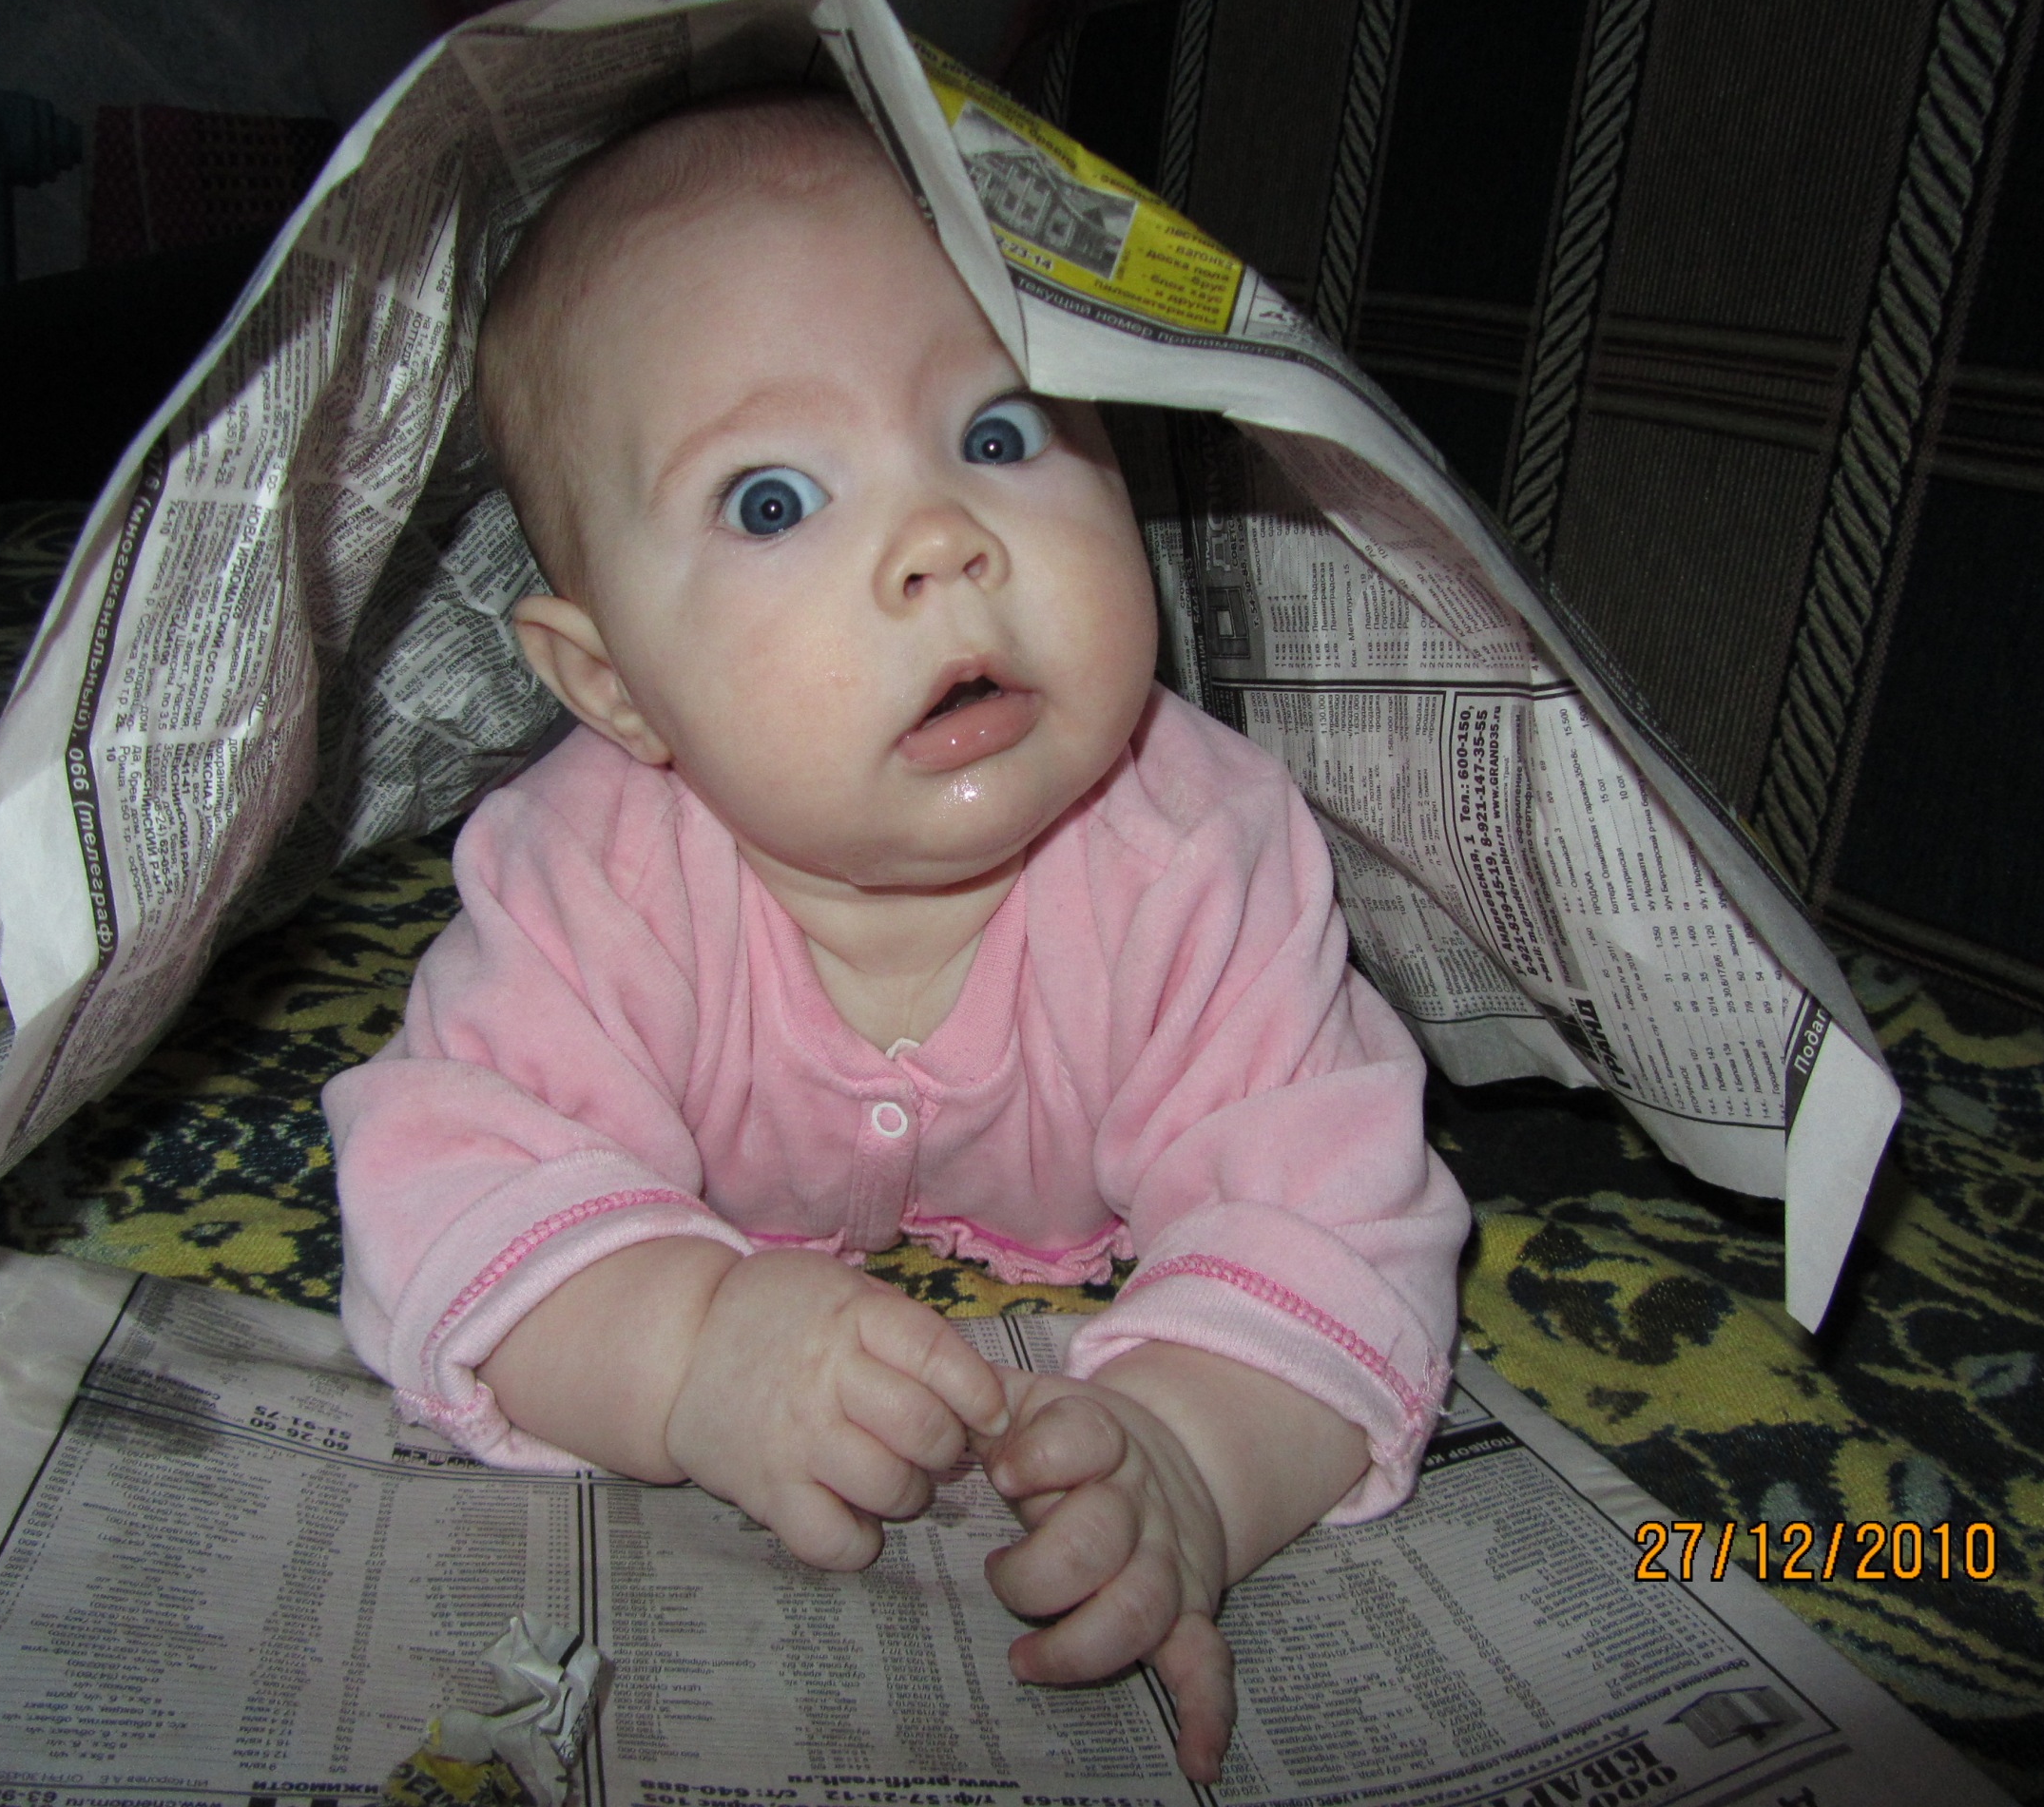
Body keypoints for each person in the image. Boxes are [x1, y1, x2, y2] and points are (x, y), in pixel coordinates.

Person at [324, 87, 1467, 1784]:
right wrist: (686, 1347)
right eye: (772, 501)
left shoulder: (1200, 854)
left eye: (998, 434)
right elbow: (442, 1189)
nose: (943, 541)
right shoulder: (589, 875)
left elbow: (1337, 1209)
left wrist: (1195, 1457)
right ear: (614, 683)